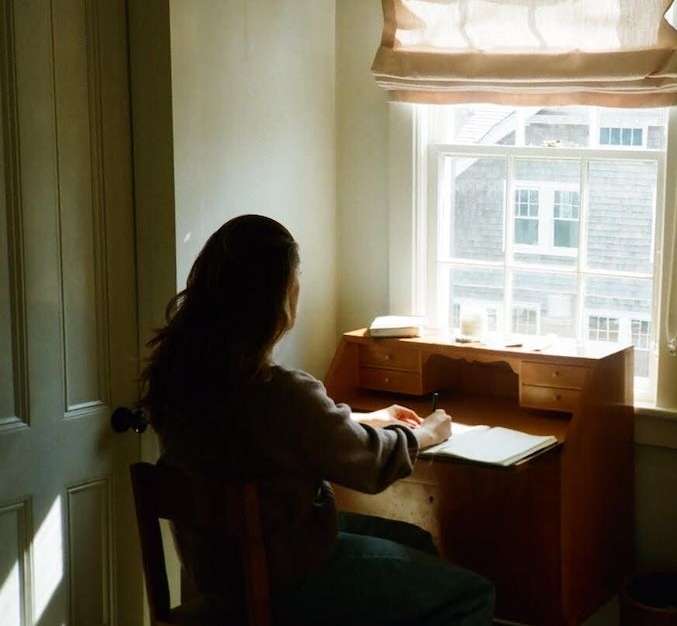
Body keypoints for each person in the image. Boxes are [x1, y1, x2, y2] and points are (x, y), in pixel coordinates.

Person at [138, 214, 494, 625]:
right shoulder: (277, 391)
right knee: (472, 593)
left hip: (220, 573)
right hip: (289, 575)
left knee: (414, 540)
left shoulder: (179, 380)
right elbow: (370, 466)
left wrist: (368, 418)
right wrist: (425, 434)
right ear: (276, 296)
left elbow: (284, 437)